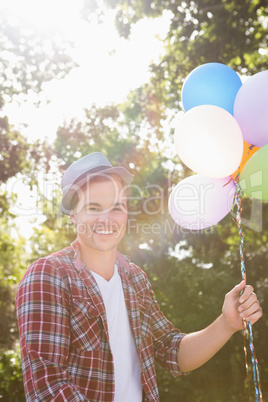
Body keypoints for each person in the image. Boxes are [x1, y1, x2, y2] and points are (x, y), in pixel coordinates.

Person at [16, 152, 262, 402]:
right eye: (93, 208)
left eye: (116, 207)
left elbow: (171, 352)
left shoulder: (134, 278)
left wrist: (226, 323)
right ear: (73, 216)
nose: (106, 219)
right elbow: (47, 388)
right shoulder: (48, 276)